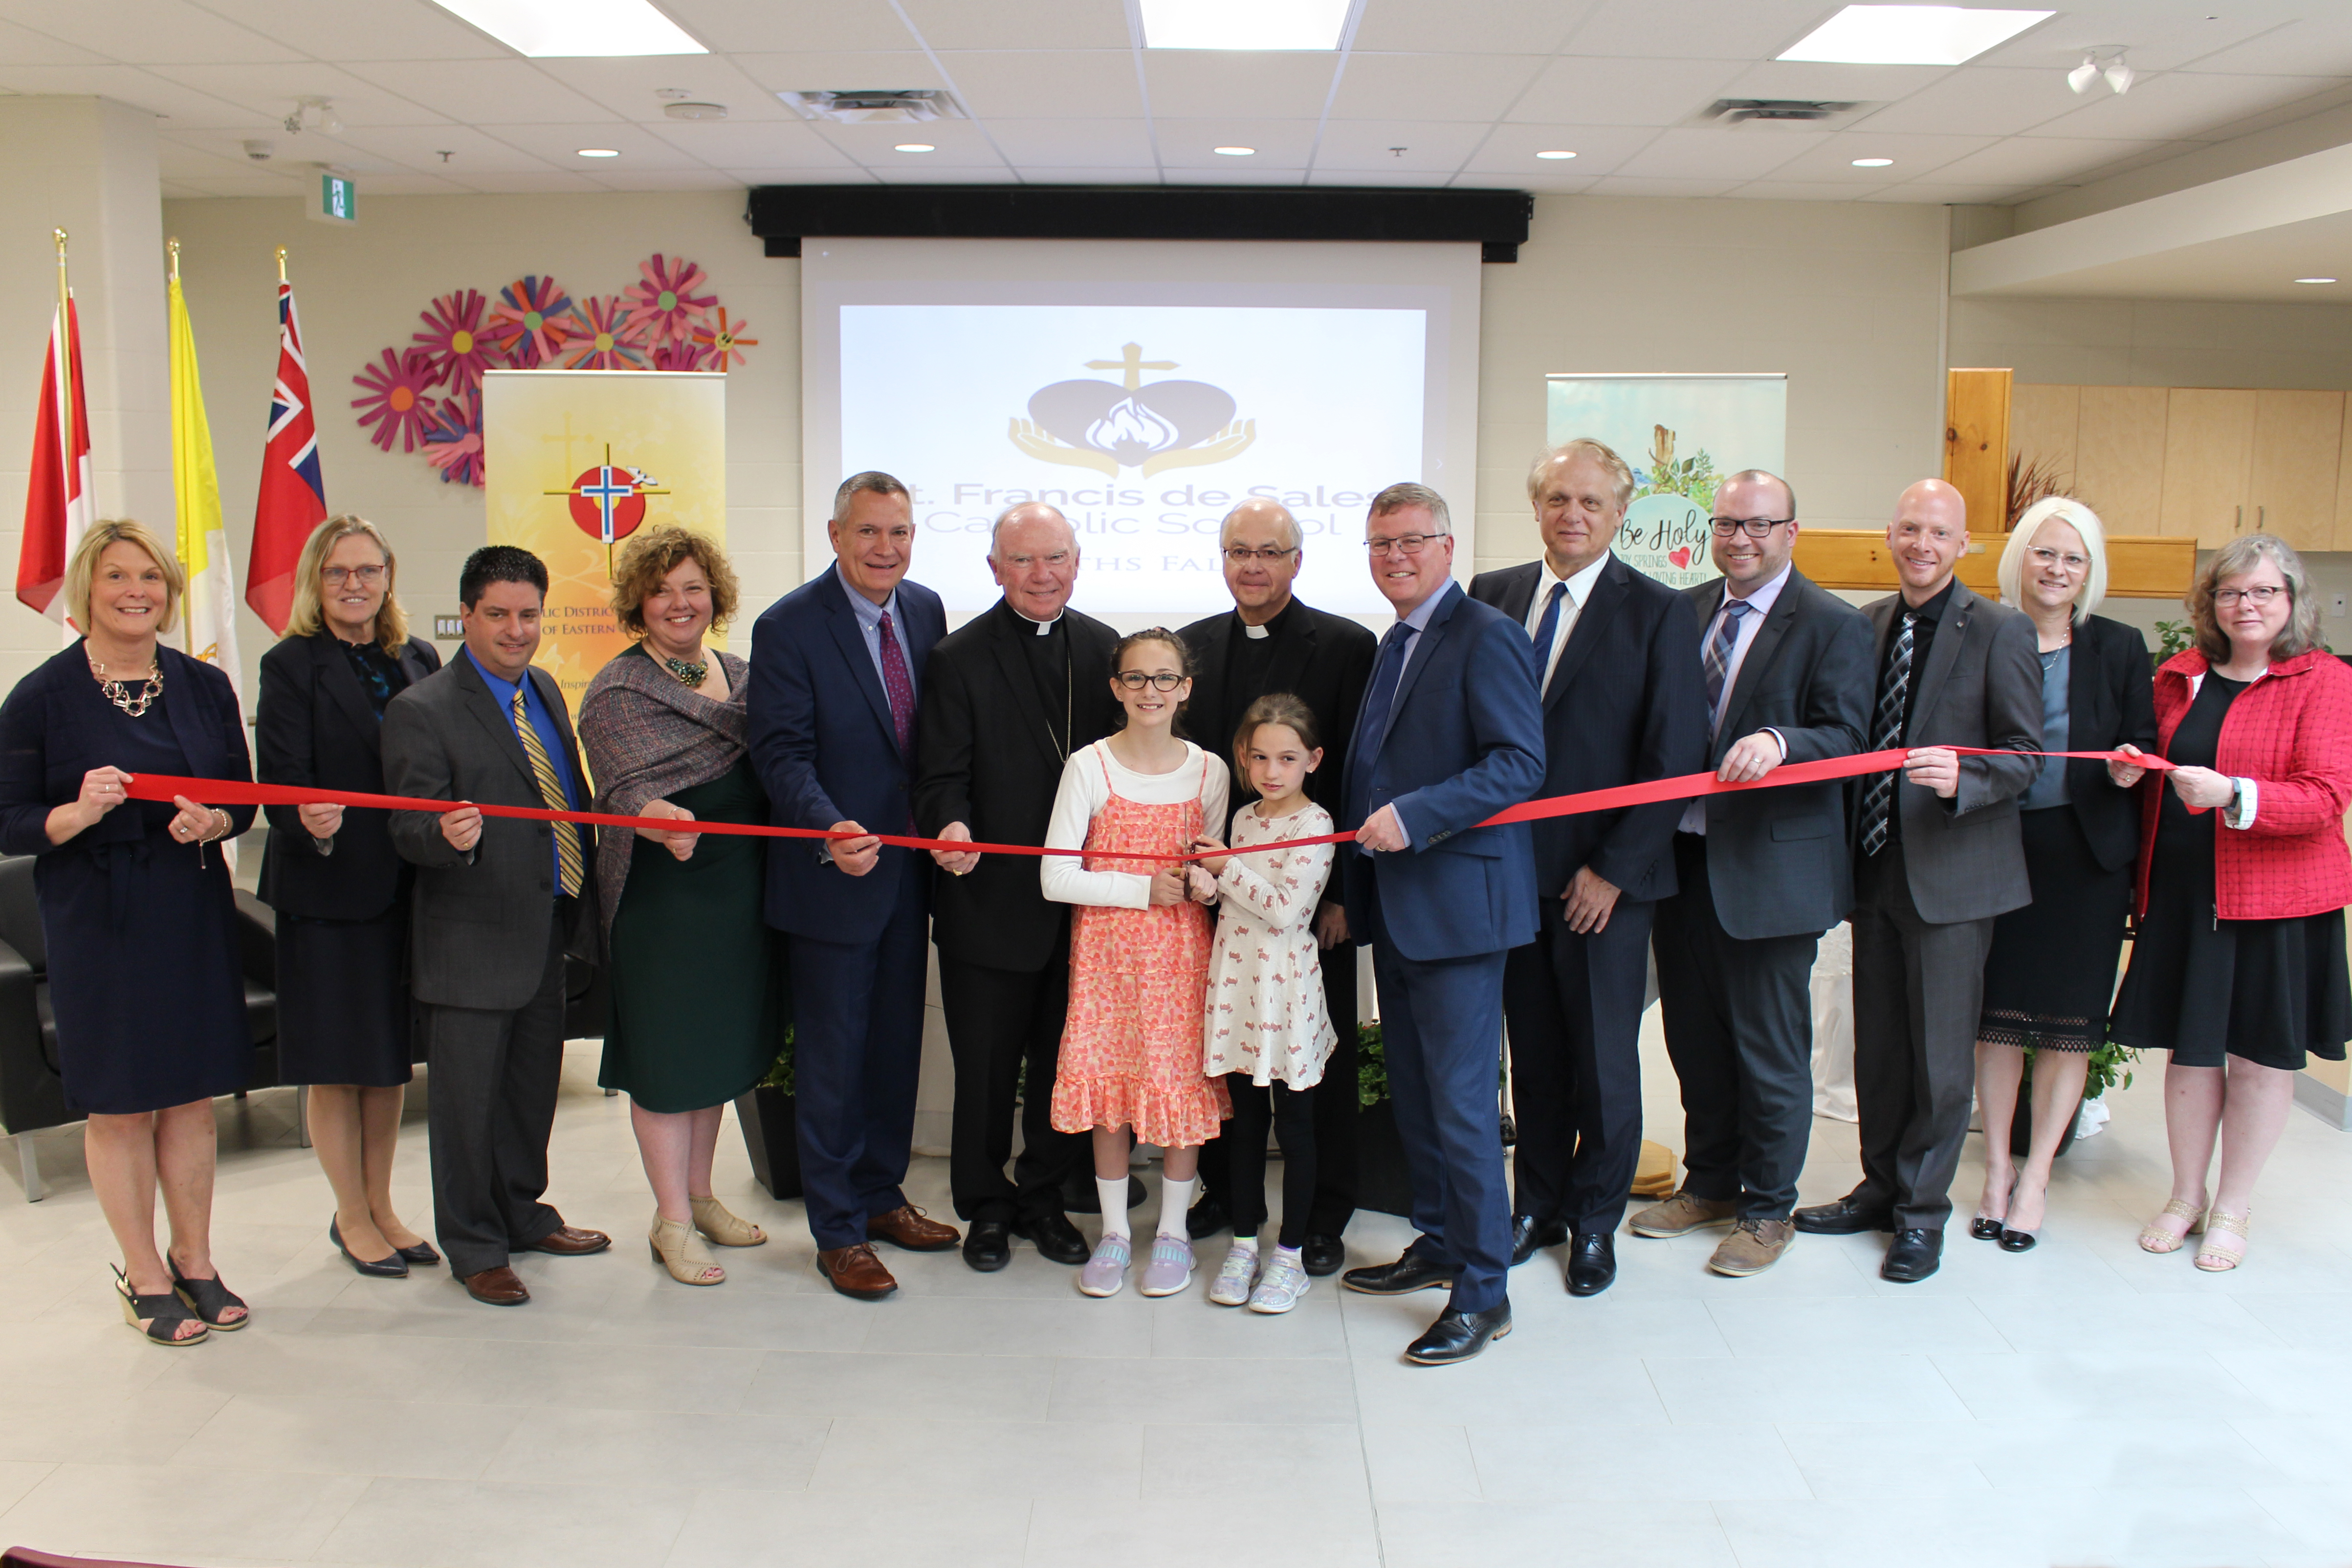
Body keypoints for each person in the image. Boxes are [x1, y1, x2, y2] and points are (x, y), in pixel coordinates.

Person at [0, 520, 256, 1344]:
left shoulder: (204, 685)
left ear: (170, 592)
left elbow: (244, 800)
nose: (136, 591)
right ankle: (142, 1271)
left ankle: (197, 1260)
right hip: (95, 915)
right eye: (117, 576)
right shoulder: (41, 695)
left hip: (188, 906)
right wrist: (77, 811)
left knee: (188, 1094)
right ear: (89, 589)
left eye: (151, 576)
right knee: (119, 1102)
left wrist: (213, 821)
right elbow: (10, 820)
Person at [1470, 438, 1705, 1298]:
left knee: (1604, 1060)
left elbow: (1674, 757)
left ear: (1620, 515)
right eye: (1558, 499)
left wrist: (1611, 869)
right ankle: (1535, 1203)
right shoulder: (1490, 595)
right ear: (1536, 506)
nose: (1573, 515)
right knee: (1531, 1055)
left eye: (1591, 503)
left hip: (1606, 884)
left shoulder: (1658, 612)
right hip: (1507, 877)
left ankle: (1595, 1221)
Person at [1794, 479, 2041, 1284]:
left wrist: (1963, 776)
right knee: (1881, 1048)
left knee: (1939, 1057)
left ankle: (1921, 1215)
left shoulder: (2000, 631)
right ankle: (1878, 1185)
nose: (1922, 544)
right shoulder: (1862, 625)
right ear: (1890, 536)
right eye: (1909, 529)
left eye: (1938, 532)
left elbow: (2026, 758)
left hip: (1954, 875)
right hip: (1871, 869)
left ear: (1963, 543)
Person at [1633, 470, 1873, 1279]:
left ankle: (1768, 1205)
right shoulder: (1686, 610)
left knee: (1768, 1046)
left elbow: (1848, 737)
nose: (1742, 538)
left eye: (1759, 524)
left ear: (1792, 532)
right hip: (1685, 861)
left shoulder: (1834, 624)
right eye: (1728, 524)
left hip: (1770, 875)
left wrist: (1781, 741)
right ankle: (1708, 1182)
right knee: (1693, 1036)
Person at [1336, 482, 1544, 1366]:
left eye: (1411, 541)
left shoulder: (1487, 636)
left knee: (1461, 1106)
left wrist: (1420, 815)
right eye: (1381, 544)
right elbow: (1367, 773)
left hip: (1460, 911)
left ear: (1448, 547)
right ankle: (1439, 1240)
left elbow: (1519, 764)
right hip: (1400, 907)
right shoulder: (1395, 642)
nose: (1395, 557)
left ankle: (1484, 1292)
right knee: (1417, 1094)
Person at [2110, 533, 2352, 1271]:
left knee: (2256, 1057)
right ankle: (2184, 1193)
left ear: (2290, 601)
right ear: (2208, 603)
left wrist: (2233, 794)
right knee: (2189, 1054)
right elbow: (2158, 764)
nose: (2245, 605)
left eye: (2263, 591)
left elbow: (2325, 794)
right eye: (2229, 592)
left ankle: (2232, 1205)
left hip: (2276, 902)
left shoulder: (2324, 680)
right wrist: (2132, 768)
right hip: (2182, 894)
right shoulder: (2176, 674)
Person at [383, 545, 612, 1307]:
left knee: (527, 1093)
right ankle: (475, 1244)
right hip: (469, 943)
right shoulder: (423, 708)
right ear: (467, 614)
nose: (516, 630)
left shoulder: (543, 687)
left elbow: (564, 799)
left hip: (546, 928)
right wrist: (442, 835)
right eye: (498, 615)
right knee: (465, 1106)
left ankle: (522, 1211)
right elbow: (407, 828)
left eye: (528, 614)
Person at [748, 473, 958, 1302]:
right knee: (834, 1056)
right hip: (833, 875)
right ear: (836, 535)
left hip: (909, 873)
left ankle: (879, 1194)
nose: (886, 549)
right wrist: (828, 826)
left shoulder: (927, 610)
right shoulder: (790, 626)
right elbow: (781, 754)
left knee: (895, 1044)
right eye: (869, 532)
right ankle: (836, 1228)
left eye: (899, 532)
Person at [915, 503, 1121, 1272]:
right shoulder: (958, 656)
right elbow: (939, 774)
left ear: (1078, 560)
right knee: (986, 1069)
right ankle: (985, 1204)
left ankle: (1041, 1196)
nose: (1043, 575)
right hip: (988, 900)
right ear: (995, 568)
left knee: (1060, 1065)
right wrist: (949, 824)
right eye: (1024, 561)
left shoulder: (1104, 651)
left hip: (1081, 908)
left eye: (1056, 558)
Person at [579, 526, 780, 1289]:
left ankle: (701, 1196)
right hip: (663, 901)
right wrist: (652, 808)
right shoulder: (617, 689)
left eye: (692, 587)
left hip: (737, 893)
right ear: (638, 601)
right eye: (661, 589)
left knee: (717, 1053)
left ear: (715, 596)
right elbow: (617, 787)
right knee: (667, 1063)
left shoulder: (745, 676)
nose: (678, 602)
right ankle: (669, 1218)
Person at [1178, 498, 1375, 1277]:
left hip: (1305, 897)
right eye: (1236, 550)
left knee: (1310, 1076)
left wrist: (1341, 894)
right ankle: (1232, 1200)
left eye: (1267, 551)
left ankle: (1321, 1214)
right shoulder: (1192, 645)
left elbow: (1358, 772)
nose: (1251, 565)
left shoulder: (1347, 644)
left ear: (1296, 560)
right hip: (1223, 897)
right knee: (1234, 1067)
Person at [257, 515, 442, 1280]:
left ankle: (383, 1204)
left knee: (387, 1057)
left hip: (407, 885)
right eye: (338, 573)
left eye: (368, 570)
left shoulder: (417, 657)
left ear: (388, 576)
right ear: (315, 581)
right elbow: (278, 780)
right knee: (338, 1062)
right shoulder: (290, 663)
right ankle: (350, 1212)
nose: (355, 584)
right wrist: (307, 816)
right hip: (329, 886)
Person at [1970, 499, 2156, 1252]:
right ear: (2019, 557)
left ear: (2090, 573)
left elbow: (2139, 743)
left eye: (2071, 559)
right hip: (1993, 848)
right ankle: (1991, 1171)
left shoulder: (2117, 646)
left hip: (2082, 861)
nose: (2055, 570)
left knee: (2065, 1032)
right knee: (1996, 1023)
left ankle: (2037, 1175)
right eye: (2043, 553)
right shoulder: (1982, 632)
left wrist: (2125, 768)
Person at [1043, 628, 1231, 1299]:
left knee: (1178, 1094)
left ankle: (1174, 1234)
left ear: (1184, 687)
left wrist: (1208, 881)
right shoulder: (1088, 765)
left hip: (1180, 958)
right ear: (1115, 686)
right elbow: (1054, 876)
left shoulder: (1210, 769)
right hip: (1107, 961)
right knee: (1110, 1100)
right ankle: (1117, 1233)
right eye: (1135, 678)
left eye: (1164, 678)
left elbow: (1210, 866)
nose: (1149, 690)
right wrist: (1137, 888)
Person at [1196, 694, 1337, 1314]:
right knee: (1245, 1126)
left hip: (1285, 992)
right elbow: (1236, 901)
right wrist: (1206, 881)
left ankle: (1291, 1257)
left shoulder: (1316, 824)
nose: (1271, 771)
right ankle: (1245, 1244)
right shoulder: (1246, 818)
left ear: (1313, 759)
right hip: (1236, 986)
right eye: (1259, 757)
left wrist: (1224, 868)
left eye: (1286, 758)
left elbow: (1285, 911)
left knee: (1297, 1127)